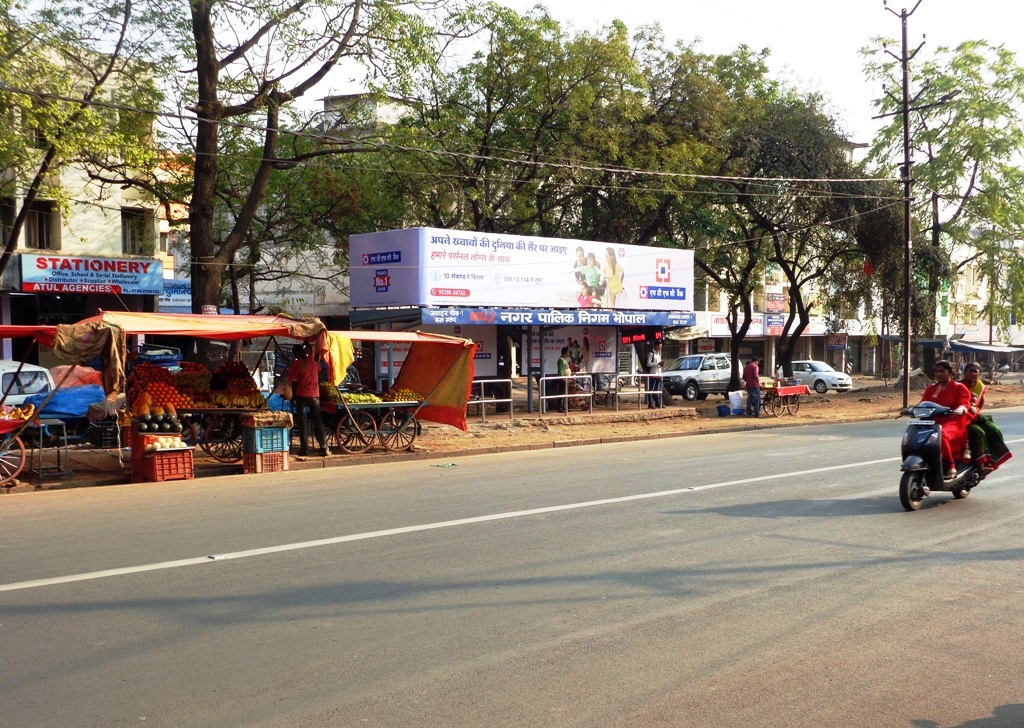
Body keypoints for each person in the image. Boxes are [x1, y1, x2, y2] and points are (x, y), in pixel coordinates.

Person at [910, 359, 971, 480]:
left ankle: (950, 466)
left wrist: (960, 409)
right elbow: (923, 404)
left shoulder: (959, 387)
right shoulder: (932, 388)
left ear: (950, 373)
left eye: (942, 371)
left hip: (954, 421)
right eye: (937, 371)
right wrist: (910, 409)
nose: (938, 374)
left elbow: (964, 403)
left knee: (940, 434)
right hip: (933, 420)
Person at [959, 361, 1012, 474]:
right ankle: (981, 464)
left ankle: (992, 460)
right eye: (970, 371)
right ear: (964, 372)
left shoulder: (980, 387)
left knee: (994, 430)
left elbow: (979, 405)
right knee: (979, 433)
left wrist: (974, 413)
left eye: (976, 372)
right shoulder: (958, 386)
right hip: (960, 416)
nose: (973, 374)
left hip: (974, 416)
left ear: (979, 374)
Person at [287, 343, 329, 457]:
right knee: (318, 422)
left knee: (303, 423)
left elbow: (289, 379)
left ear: (295, 354)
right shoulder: (314, 361)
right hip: (314, 395)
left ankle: (305, 450)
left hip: (301, 396)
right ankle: (324, 448)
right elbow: (319, 370)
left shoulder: (297, 364)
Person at [554, 346, 572, 413]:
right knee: (562, 393)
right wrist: (562, 378)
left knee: (566, 393)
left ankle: (565, 407)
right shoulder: (560, 360)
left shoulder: (565, 359)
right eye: (568, 352)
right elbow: (560, 370)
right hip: (563, 379)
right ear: (565, 352)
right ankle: (560, 407)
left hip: (567, 379)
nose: (569, 353)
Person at [645, 342, 663, 408]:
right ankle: (650, 402)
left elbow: (658, 364)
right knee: (651, 389)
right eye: (660, 346)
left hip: (658, 374)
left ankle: (657, 402)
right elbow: (648, 364)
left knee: (657, 389)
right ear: (656, 346)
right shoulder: (651, 354)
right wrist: (657, 364)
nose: (660, 348)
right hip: (653, 373)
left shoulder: (658, 354)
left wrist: (660, 365)